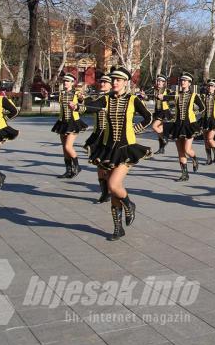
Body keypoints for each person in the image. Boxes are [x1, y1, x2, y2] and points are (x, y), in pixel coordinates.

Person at [81, 66, 152, 240]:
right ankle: (117, 228)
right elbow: (92, 106)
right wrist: (79, 105)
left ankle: (129, 204)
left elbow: (148, 117)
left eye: (118, 80)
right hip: (108, 148)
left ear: (125, 83)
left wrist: (134, 129)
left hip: (126, 148)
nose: (114, 82)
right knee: (114, 191)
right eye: (113, 80)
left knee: (113, 185)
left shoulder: (133, 100)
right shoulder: (106, 99)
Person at [163, 72, 206, 181]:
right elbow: (165, 99)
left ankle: (194, 158)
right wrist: (161, 97)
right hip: (177, 125)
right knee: (180, 151)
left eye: (185, 80)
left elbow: (202, 108)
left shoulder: (194, 95)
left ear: (189, 83)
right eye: (181, 80)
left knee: (187, 149)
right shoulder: (176, 94)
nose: (182, 82)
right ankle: (184, 174)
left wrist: (193, 113)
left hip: (189, 125)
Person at [81, 72, 112, 203]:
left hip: (109, 135)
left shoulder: (111, 98)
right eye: (101, 82)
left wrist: (85, 102)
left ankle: (111, 189)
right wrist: (81, 101)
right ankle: (104, 192)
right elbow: (85, 109)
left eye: (105, 82)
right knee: (98, 165)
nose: (102, 84)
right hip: (97, 135)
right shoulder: (98, 97)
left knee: (108, 165)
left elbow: (92, 107)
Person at [51, 73, 88, 179]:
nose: (65, 83)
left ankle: (77, 166)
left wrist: (81, 99)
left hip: (73, 122)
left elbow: (82, 103)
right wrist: (45, 95)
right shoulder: (61, 93)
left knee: (68, 146)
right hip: (62, 122)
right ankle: (68, 170)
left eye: (67, 81)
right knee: (64, 148)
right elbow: (53, 98)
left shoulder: (77, 93)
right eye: (64, 81)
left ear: (72, 83)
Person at [148, 75, 173, 155]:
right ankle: (161, 148)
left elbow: (172, 98)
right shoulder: (155, 90)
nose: (159, 83)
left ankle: (165, 138)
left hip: (164, 111)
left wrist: (164, 97)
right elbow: (148, 97)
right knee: (159, 130)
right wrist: (144, 96)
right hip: (157, 111)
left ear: (164, 83)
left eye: (161, 81)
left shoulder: (167, 90)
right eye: (158, 81)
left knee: (154, 126)